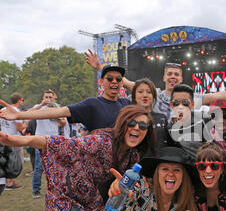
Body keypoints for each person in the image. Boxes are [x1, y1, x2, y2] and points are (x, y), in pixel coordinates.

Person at [0, 105, 156, 211]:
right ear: (122, 123)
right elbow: (63, 144)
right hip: (69, 196)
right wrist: (23, 141)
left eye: (142, 126)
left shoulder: (133, 156)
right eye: (132, 123)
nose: (136, 128)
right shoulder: (102, 142)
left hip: (94, 201)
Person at [84, 50, 226, 120]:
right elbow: (125, 82)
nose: (173, 77)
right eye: (170, 74)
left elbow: (216, 96)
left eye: (176, 74)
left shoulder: (189, 98)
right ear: (164, 77)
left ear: (181, 78)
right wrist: (100, 67)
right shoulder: (154, 94)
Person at [0, 65, 131, 132]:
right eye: (110, 78)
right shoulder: (92, 104)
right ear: (102, 82)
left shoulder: (126, 104)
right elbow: (57, 112)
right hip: (101, 166)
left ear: (122, 83)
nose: (114, 81)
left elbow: (146, 91)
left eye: (118, 79)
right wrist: (19, 115)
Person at [31, 90, 68, 199]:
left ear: (53, 98)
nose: (48, 99)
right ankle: (36, 190)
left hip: (53, 139)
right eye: (46, 97)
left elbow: (63, 122)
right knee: (39, 166)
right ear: (43, 97)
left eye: (50, 97)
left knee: (54, 166)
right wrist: (41, 105)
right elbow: (29, 113)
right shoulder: (38, 107)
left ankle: (55, 189)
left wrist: (55, 115)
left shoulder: (57, 108)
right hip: (39, 138)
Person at [131, 78, 172, 151]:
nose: (145, 95)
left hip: (158, 161)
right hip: (136, 162)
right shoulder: (128, 117)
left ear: (153, 96)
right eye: (140, 92)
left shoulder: (161, 118)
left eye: (149, 92)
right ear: (134, 96)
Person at [0, 93, 26, 190]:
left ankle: (6, 181)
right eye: (22, 99)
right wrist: (26, 123)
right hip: (14, 139)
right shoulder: (15, 111)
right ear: (19, 100)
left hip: (3, 138)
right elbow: (20, 128)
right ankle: (10, 183)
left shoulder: (2, 110)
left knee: (5, 160)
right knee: (16, 161)